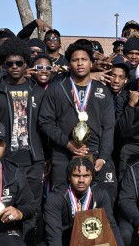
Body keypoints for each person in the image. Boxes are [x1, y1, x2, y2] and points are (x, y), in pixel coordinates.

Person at [34, 157, 138, 246]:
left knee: (123, 234)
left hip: (90, 241)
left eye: (86, 176)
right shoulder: (56, 197)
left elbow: (111, 225)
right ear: (69, 177)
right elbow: (54, 235)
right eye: (76, 176)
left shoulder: (100, 193)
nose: (81, 180)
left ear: (92, 177)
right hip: (65, 241)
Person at [39, 40, 117, 196]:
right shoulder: (57, 88)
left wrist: (103, 156)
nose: (80, 63)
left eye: (84, 59)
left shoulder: (102, 90)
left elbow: (108, 126)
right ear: (69, 64)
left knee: (98, 204)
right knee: (62, 201)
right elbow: (45, 121)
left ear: (91, 63)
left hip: (94, 155)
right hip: (63, 154)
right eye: (75, 60)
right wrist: (68, 144)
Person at [0, 38, 47, 246]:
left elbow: (45, 127)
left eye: (19, 63)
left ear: (26, 65)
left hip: (33, 160)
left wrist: (45, 158)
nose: (14, 67)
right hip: (6, 162)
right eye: (9, 63)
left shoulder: (38, 92)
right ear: (4, 65)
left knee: (32, 207)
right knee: (4, 206)